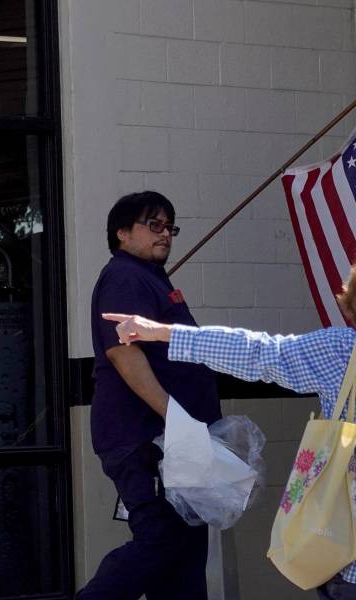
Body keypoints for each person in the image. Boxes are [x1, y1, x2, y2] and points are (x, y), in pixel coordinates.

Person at [102, 264, 356, 600]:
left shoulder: (343, 351)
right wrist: (165, 333)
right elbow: (259, 352)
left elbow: (260, 353)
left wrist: (163, 332)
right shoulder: (342, 352)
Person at [76, 191, 222, 600]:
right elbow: (123, 353)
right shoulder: (125, 277)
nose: (165, 234)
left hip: (176, 440)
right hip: (147, 438)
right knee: (160, 539)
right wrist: (175, 416)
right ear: (122, 233)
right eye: (153, 225)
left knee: (186, 548)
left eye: (169, 227)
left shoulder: (151, 277)